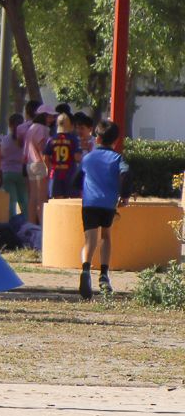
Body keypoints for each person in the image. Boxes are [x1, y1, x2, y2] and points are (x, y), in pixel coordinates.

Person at [77, 119, 129, 300]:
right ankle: (104, 275)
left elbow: (77, 178)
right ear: (116, 140)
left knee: (89, 240)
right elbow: (125, 172)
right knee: (106, 236)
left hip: (89, 203)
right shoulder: (117, 158)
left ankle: (85, 270)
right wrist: (125, 195)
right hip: (108, 204)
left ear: (97, 138)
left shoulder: (87, 157)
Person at [45, 112, 82, 201]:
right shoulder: (73, 139)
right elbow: (77, 157)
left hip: (55, 174)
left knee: (57, 201)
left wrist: (50, 168)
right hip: (70, 173)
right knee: (73, 200)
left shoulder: (51, 139)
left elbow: (46, 158)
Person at [0, 111, 29, 220]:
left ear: (10, 125)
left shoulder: (5, 139)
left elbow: (1, 155)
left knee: (11, 201)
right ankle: (27, 222)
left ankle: (12, 223)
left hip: (7, 172)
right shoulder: (25, 140)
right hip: (21, 172)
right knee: (24, 201)